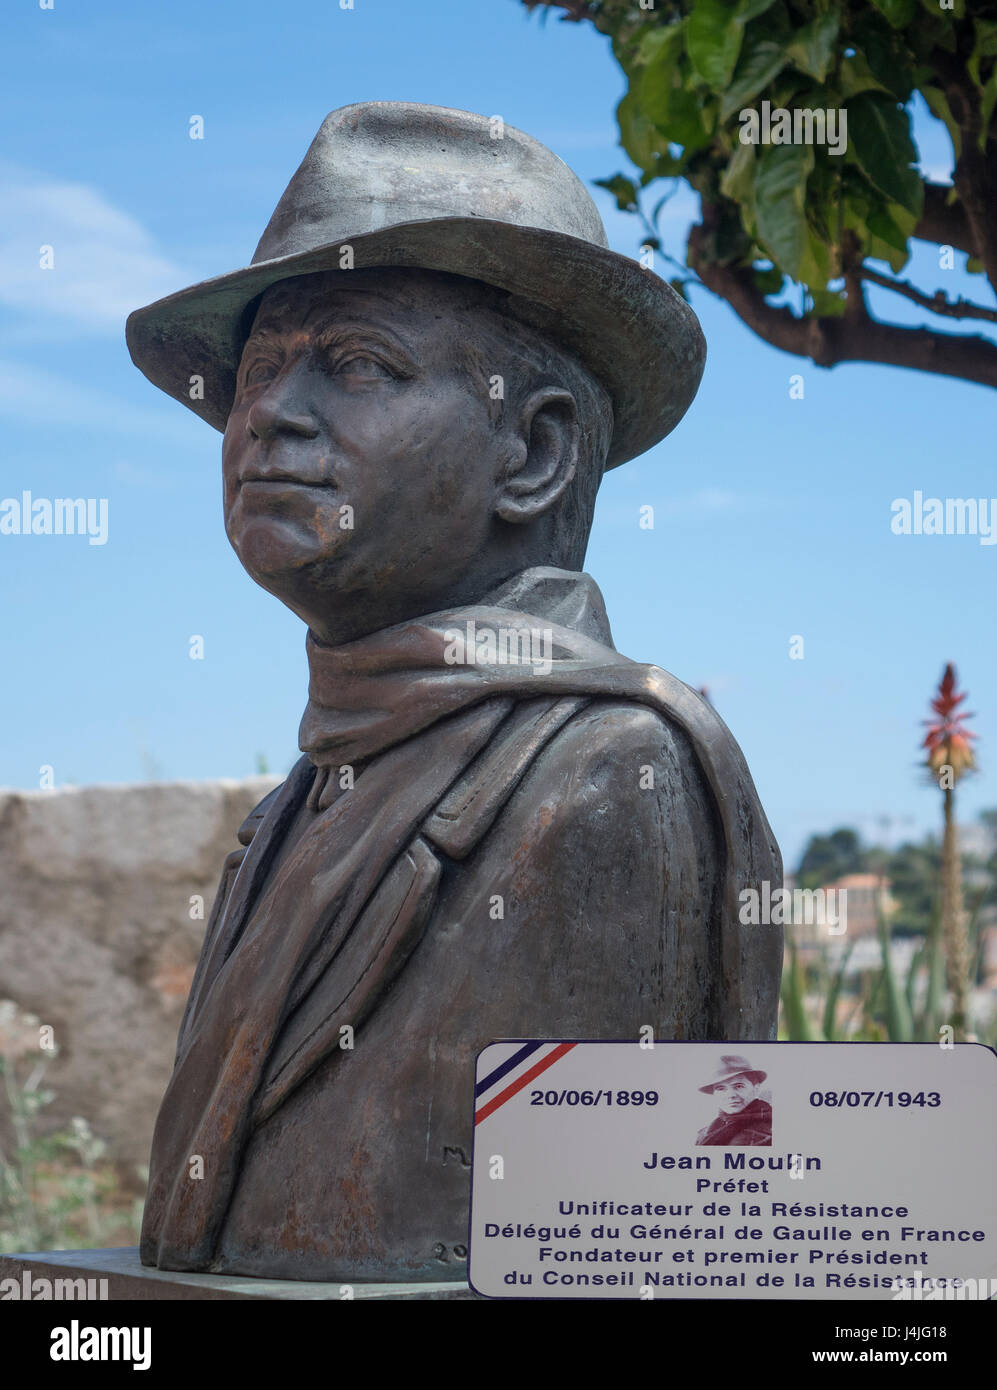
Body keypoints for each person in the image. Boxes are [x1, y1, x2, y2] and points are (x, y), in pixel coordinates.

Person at [127, 101, 783, 1281]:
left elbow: (591, 1272)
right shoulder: (310, 792)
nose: (266, 413)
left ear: (531, 454)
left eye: (359, 365)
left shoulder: (599, 774)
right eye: (261, 372)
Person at [696, 1055, 772, 1146]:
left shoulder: (771, 1130)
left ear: (756, 1088)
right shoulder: (705, 1134)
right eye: (721, 1088)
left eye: (739, 1086)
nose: (730, 1095)